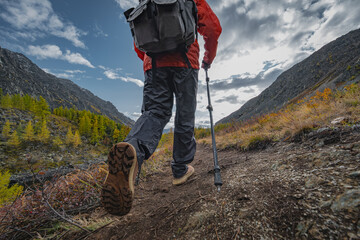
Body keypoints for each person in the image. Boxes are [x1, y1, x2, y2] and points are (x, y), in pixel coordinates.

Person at [102, 0, 221, 216]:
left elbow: (138, 43)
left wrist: (150, 59)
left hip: (154, 65)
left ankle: (133, 150)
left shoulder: (145, 3)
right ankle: (180, 170)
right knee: (184, 116)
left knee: (154, 112)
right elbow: (212, 29)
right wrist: (207, 58)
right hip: (186, 61)